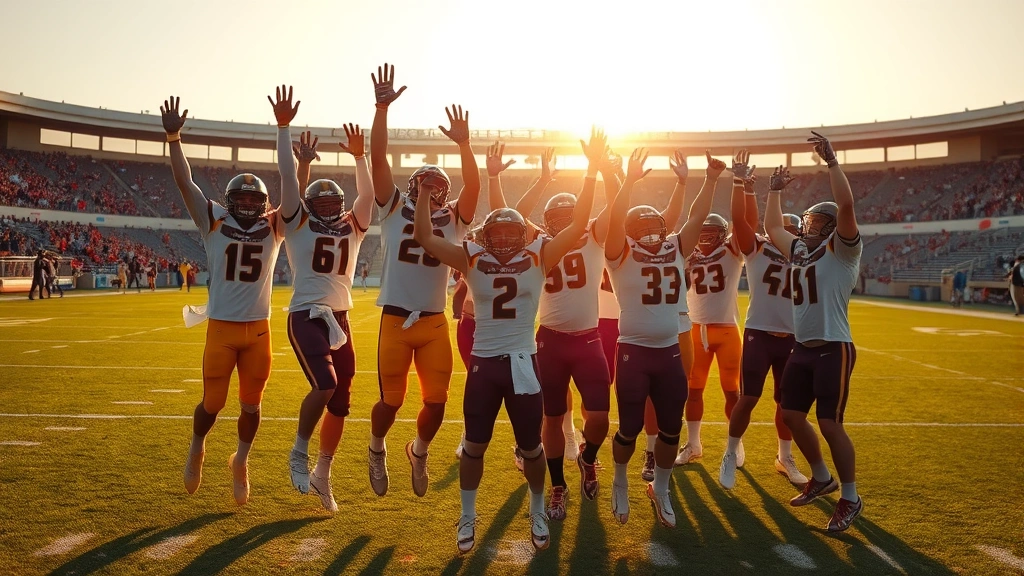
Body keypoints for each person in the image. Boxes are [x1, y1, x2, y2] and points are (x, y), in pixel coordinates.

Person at [412, 156, 595, 553]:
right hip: (485, 365)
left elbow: (579, 224)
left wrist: (592, 172)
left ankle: (536, 508)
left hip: (522, 364)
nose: (508, 239)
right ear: (488, 234)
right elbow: (425, 238)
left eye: (514, 232)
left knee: (531, 447)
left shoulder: (540, 255)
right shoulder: (472, 257)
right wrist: (425, 195)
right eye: (500, 232)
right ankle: (467, 514)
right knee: (474, 445)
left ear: (523, 233)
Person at [485, 131, 619, 520]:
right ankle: (558, 486)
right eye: (556, 219)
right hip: (551, 341)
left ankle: (589, 458)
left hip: (589, 338)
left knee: (598, 420)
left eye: (568, 217)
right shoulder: (540, 243)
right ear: (546, 223)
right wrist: (496, 178)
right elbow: (503, 215)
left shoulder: (592, 234)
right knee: (552, 419)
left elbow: (612, 203)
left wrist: (598, 169)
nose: (563, 224)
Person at [162, 93, 286, 506]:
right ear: (232, 202)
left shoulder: (275, 225)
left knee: (251, 406)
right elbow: (185, 182)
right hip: (222, 328)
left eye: (256, 200)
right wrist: (175, 138)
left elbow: (297, 201)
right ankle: (197, 446)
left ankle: (241, 461)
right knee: (213, 403)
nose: (250, 204)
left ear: (264, 204)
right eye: (243, 199)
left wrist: (299, 163)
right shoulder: (213, 217)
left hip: (260, 329)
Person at [366, 63, 481, 497]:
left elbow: (473, 183)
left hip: (433, 321)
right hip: (396, 319)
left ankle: (419, 450)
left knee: (436, 402)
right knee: (390, 402)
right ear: (413, 187)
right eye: (425, 184)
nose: (431, 191)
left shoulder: (453, 220)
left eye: (438, 185)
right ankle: (377, 447)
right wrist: (381, 110)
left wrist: (465, 144)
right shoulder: (393, 207)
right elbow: (378, 158)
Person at [604, 149, 723, 528]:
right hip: (633, 352)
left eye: (658, 227)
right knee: (628, 428)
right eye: (647, 229)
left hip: (669, 350)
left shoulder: (675, 246)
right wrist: (627, 182)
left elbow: (698, 217)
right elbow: (614, 222)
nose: (656, 233)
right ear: (632, 232)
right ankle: (620, 481)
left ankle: (662, 488)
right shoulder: (620, 252)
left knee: (671, 428)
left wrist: (711, 180)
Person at [765, 131, 863, 532]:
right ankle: (821, 476)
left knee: (829, 422)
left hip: (832, 347)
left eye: (820, 222)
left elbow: (846, 204)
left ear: (833, 227)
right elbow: (773, 227)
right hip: (802, 348)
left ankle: (851, 497)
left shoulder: (843, 250)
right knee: (790, 415)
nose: (811, 227)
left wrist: (832, 163)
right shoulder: (802, 250)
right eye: (810, 221)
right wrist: (773, 191)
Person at [280, 105, 373, 513]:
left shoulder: (353, 224)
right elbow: (287, 183)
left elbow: (367, 195)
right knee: (325, 384)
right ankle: (299, 452)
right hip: (306, 314)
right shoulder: (297, 222)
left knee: (341, 403)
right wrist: (284, 130)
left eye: (331, 203)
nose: (326, 208)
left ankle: (323, 472)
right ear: (307, 205)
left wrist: (360, 155)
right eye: (316, 203)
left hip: (341, 317)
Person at [717, 150, 807, 490]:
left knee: (787, 404)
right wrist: (740, 183)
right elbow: (739, 219)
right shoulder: (757, 247)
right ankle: (729, 451)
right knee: (748, 398)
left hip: (793, 336)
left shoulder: (806, 255)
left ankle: (785, 457)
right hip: (759, 333)